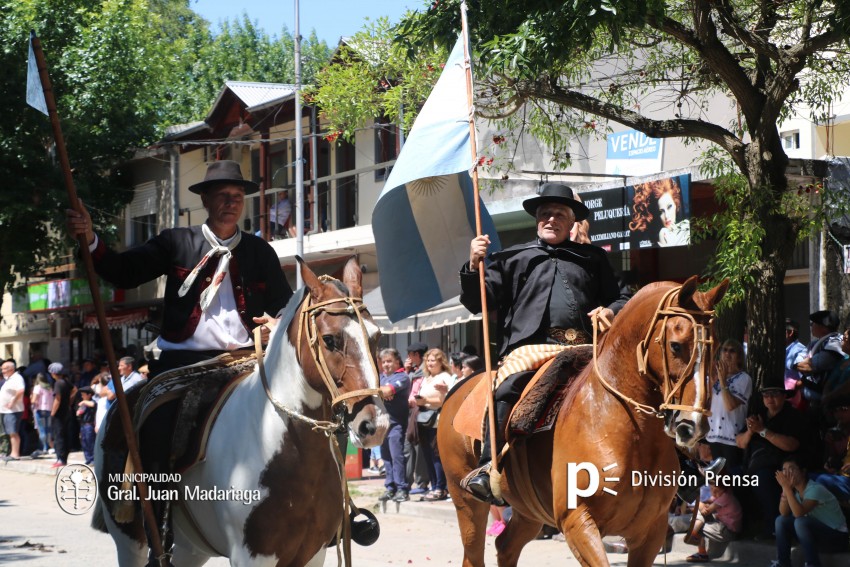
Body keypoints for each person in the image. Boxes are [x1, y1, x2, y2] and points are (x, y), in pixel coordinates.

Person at [459, 183, 630, 503]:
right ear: (537, 220)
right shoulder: (512, 257)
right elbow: (478, 302)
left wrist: (609, 310)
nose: (551, 219)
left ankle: (683, 458)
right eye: (544, 214)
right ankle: (488, 468)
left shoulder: (594, 258)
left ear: (572, 222)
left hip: (586, 347)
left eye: (559, 214)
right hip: (531, 349)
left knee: (636, 379)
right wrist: (473, 265)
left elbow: (622, 297)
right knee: (505, 387)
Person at [66, 159, 293, 375]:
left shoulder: (259, 251)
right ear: (205, 200)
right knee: (154, 413)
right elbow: (125, 272)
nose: (231, 202)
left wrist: (277, 323)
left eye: (237, 196)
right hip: (183, 363)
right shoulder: (175, 242)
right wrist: (89, 240)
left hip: (248, 361)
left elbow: (284, 301)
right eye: (223, 195)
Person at [736, 384, 806, 539]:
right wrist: (750, 431)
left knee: (762, 480)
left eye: (774, 394)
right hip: (751, 465)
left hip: (777, 466)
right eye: (766, 395)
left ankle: (773, 529)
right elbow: (740, 442)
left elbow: (791, 445)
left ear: (783, 396)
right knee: (730, 477)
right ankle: (739, 527)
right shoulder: (758, 415)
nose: (769, 399)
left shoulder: (792, 416)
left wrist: (763, 431)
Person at [773, 455, 848, 567]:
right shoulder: (795, 493)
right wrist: (785, 489)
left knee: (800, 521)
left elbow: (799, 513)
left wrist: (787, 488)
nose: (787, 473)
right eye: (784, 470)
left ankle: (812, 564)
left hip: (837, 539)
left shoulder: (815, 489)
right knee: (780, 520)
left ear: (803, 472)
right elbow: (783, 513)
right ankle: (782, 563)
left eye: (791, 469)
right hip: (818, 539)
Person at [705, 339, 752, 472]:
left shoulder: (744, 379)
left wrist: (723, 381)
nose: (727, 354)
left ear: (739, 356)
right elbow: (705, 405)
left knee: (732, 481)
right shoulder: (712, 378)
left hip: (731, 439)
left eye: (732, 351)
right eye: (724, 350)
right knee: (716, 483)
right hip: (712, 437)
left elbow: (730, 405)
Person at [414, 348, 450, 501]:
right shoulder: (427, 377)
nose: (429, 363)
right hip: (424, 420)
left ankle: (440, 488)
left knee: (437, 456)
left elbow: (446, 399)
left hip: (437, 421)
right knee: (427, 455)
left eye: (433, 360)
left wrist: (426, 401)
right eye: (428, 360)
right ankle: (434, 486)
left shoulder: (445, 377)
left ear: (441, 361)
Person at [377, 348, 411, 503]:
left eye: (389, 361)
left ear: (397, 362)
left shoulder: (402, 377)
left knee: (397, 456)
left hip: (397, 424)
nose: (386, 365)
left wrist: (380, 391)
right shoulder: (380, 378)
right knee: (386, 457)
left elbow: (387, 390)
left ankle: (402, 489)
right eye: (383, 362)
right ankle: (390, 488)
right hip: (382, 424)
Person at [684, 478, 742, 562]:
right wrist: (700, 506)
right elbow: (707, 503)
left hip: (729, 532)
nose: (714, 493)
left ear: (726, 489)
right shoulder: (719, 495)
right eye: (711, 489)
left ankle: (700, 550)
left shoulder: (725, 496)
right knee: (699, 516)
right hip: (722, 526)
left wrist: (700, 506)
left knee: (700, 520)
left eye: (717, 490)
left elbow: (706, 511)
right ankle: (693, 533)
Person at [794, 309, 843, 409]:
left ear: (823, 327)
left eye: (813, 323)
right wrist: (799, 365)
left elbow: (811, 365)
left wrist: (802, 365)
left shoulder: (834, 343)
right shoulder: (815, 343)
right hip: (809, 400)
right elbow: (797, 361)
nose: (811, 326)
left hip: (823, 402)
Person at [629, 176, 690, 247]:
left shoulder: (687, 226)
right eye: (661, 212)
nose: (666, 216)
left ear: (675, 204)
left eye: (669, 207)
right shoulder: (662, 234)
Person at [811, 395, 850, 504]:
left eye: (844, 409)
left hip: (845, 480)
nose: (839, 414)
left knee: (822, 480)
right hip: (840, 477)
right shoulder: (834, 433)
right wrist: (830, 445)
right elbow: (830, 460)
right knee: (805, 477)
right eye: (835, 411)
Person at [49, 362, 73, 468]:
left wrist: (53, 413)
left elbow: (57, 400)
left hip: (59, 413)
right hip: (66, 411)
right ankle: (63, 458)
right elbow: (75, 390)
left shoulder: (58, 383)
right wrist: (69, 402)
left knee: (58, 436)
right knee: (64, 435)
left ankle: (60, 459)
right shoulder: (66, 382)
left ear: (53, 373)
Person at [0, 361, 26, 460]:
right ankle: (12, 453)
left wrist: (12, 401)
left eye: (4, 369)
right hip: (6, 411)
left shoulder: (17, 378)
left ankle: (15, 454)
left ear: (11, 369)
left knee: (13, 432)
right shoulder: (9, 379)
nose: (2, 371)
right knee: (10, 432)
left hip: (13, 410)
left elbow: (21, 390)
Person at [784, 319, 808, 409]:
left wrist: (793, 387)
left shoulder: (799, 350)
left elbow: (804, 374)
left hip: (794, 399)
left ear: (790, 333)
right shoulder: (783, 349)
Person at [30, 373, 54, 457]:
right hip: (49, 410)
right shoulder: (49, 387)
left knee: (41, 430)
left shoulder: (38, 387)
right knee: (48, 429)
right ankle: (49, 447)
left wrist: (32, 400)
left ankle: (43, 448)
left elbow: (34, 400)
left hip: (40, 409)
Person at [75, 386, 96, 465]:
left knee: (90, 442)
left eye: (84, 394)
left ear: (89, 395)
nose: (82, 396)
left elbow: (93, 404)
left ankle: (93, 459)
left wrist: (84, 402)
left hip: (89, 425)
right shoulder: (83, 403)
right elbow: (78, 412)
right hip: (83, 425)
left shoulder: (91, 402)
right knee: (84, 442)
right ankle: (88, 459)